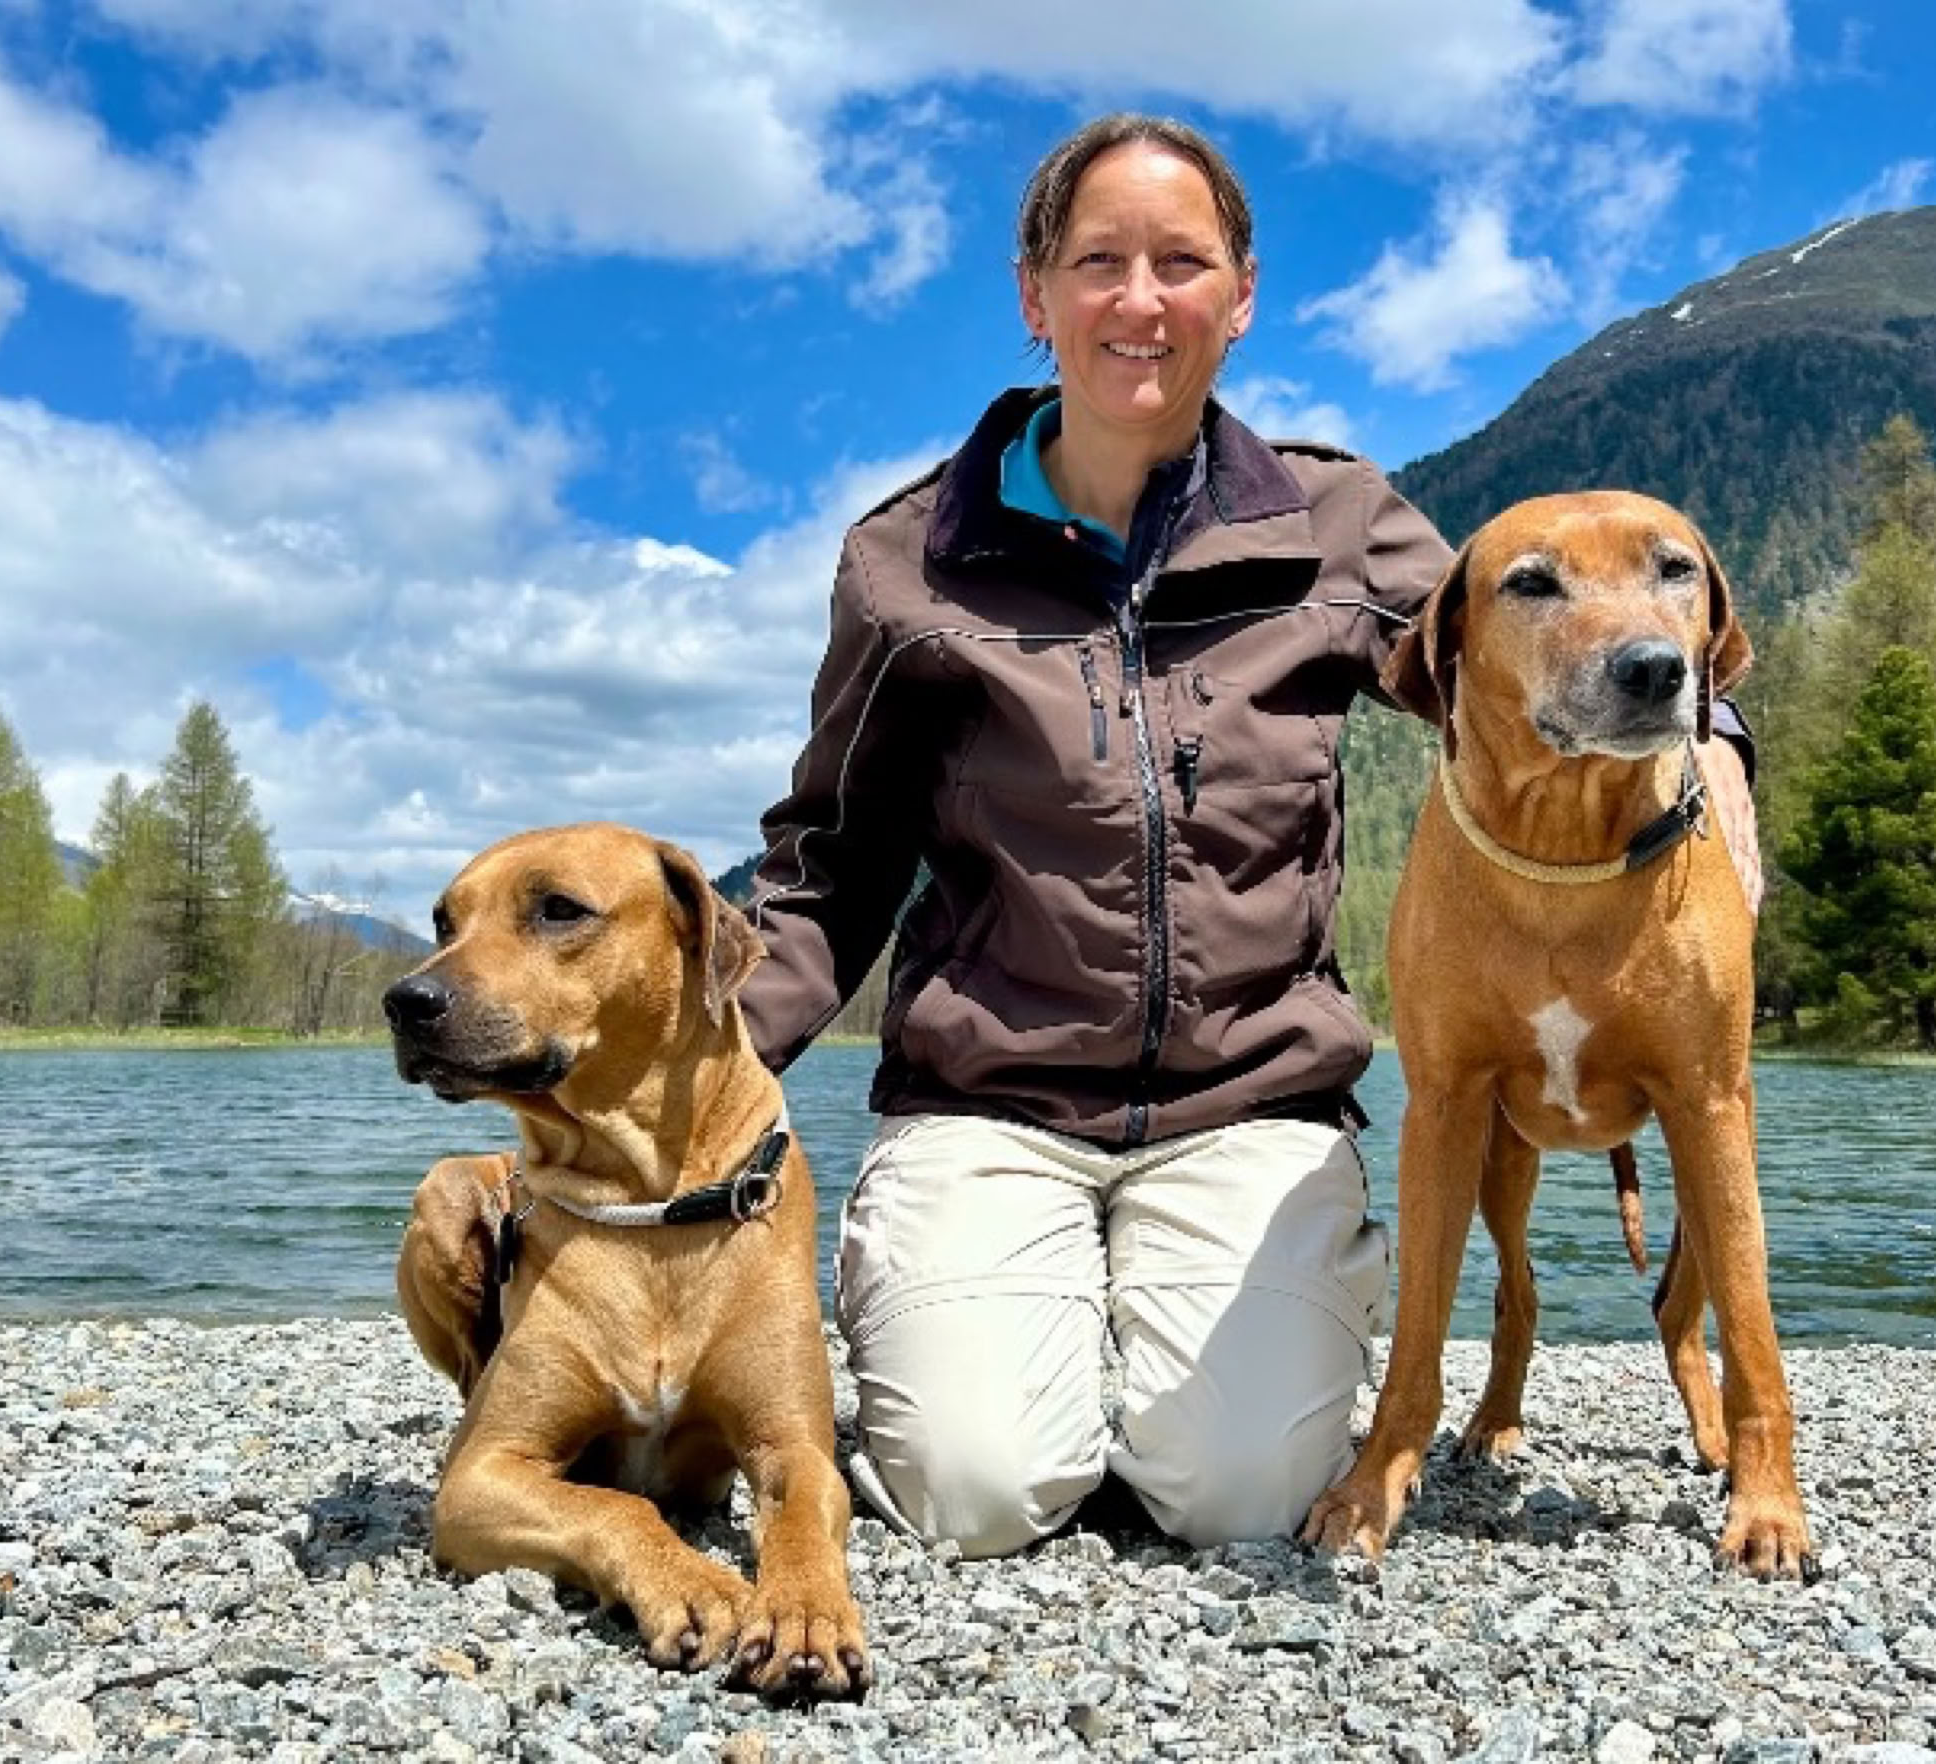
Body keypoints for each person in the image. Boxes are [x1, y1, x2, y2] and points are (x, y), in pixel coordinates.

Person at [739, 112, 1758, 1557]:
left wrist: (1712, 752)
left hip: (1250, 1108)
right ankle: (1028, 1329)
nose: (1138, 300)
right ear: (1036, 296)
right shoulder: (909, 561)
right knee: (974, 1495)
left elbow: (1536, 656)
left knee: (1239, 1497)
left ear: (1240, 295)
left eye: (1180, 260)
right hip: (988, 1106)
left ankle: (1127, 1349)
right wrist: (689, 1077)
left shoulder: (1337, 524)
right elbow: (828, 864)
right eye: (1098, 261)